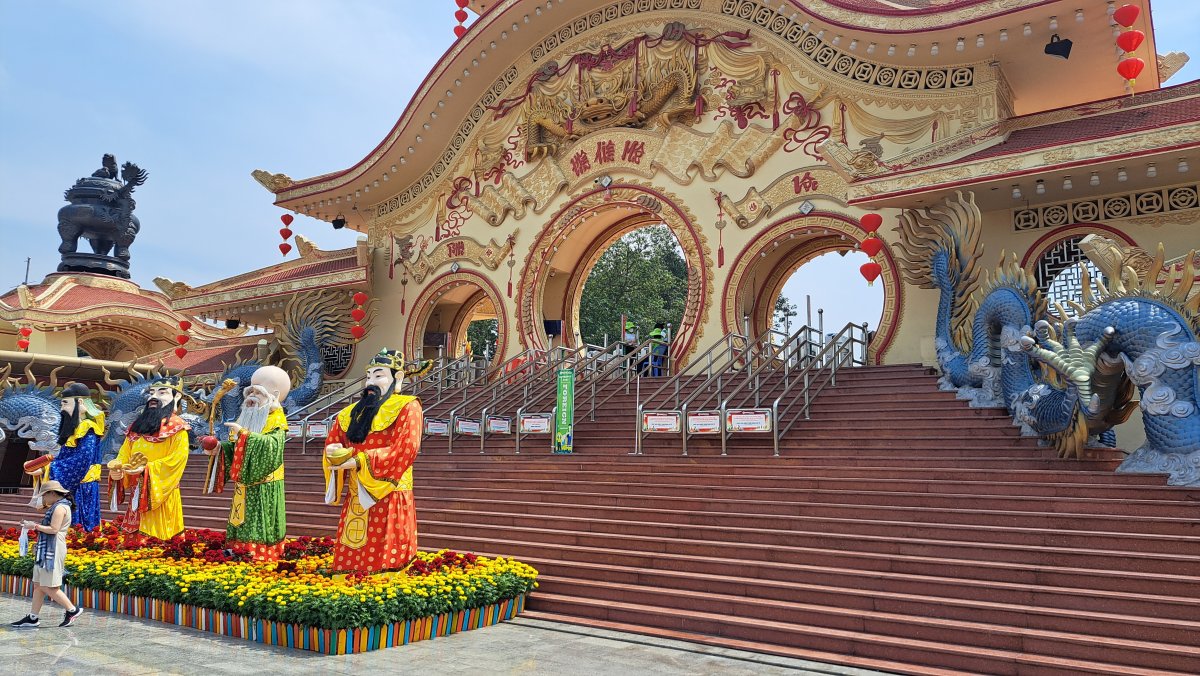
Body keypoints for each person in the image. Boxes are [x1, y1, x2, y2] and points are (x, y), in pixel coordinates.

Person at [322, 349, 423, 574]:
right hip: (357, 490)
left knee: (385, 552)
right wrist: (333, 449)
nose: (371, 382)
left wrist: (360, 461)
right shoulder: (349, 413)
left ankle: (385, 582)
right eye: (368, 376)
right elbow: (334, 441)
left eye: (379, 375)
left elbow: (406, 448)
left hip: (388, 488)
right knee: (353, 543)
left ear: (397, 377)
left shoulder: (407, 406)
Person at [200, 366, 291, 560]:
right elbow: (236, 449)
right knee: (239, 519)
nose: (252, 395)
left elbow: (272, 448)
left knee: (258, 520)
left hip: (264, 484)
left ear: (273, 395)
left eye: (258, 392)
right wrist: (219, 449)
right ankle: (238, 550)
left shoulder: (276, 420)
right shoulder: (248, 416)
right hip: (243, 485)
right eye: (251, 390)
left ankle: (259, 553)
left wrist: (243, 434)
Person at [108, 376, 190, 540]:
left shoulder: (177, 427)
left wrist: (146, 470)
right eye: (152, 392)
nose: (154, 397)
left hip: (161, 493)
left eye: (162, 393)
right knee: (132, 542)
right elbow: (124, 454)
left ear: (177, 396)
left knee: (157, 540)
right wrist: (118, 469)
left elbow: (177, 460)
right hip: (136, 492)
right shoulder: (137, 427)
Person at [10, 480, 83, 628]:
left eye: (44, 495)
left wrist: (34, 526)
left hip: (54, 548)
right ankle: (33, 617)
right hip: (48, 547)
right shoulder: (57, 506)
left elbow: (54, 529)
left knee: (49, 586)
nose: (43, 499)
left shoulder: (60, 508)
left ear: (52, 493)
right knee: (38, 584)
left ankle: (72, 610)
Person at [41, 383, 104, 531]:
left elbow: (82, 460)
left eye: (65, 403)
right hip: (73, 482)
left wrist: (49, 469)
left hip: (83, 483)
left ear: (80, 402)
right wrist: (44, 468)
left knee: (81, 527)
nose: (62, 409)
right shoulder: (74, 429)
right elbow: (65, 457)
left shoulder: (88, 428)